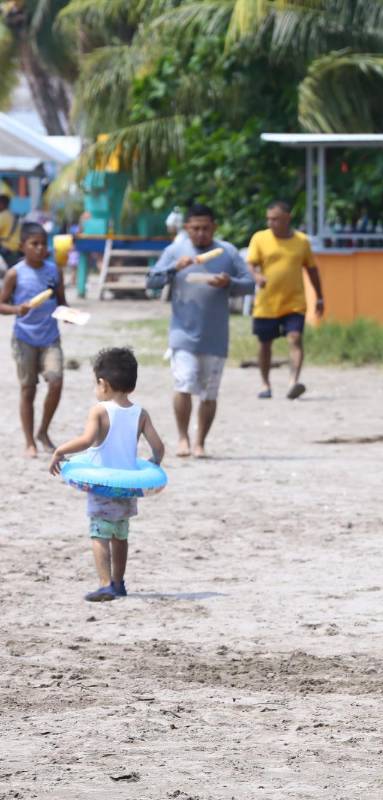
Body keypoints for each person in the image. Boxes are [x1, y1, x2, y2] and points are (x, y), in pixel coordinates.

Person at [49, 348, 165, 602]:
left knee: (99, 534)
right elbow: (158, 448)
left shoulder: (100, 410)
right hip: (127, 489)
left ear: (103, 384)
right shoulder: (141, 414)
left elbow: (87, 440)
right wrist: (152, 466)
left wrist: (60, 450)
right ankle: (119, 583)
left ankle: (104, 584)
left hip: (102, 487)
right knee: (120, 536)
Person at [146, 204, 254, 458]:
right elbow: (151, 281)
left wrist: (230, 283)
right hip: (182, 333)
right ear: (187, 228)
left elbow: (249, 284)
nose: (201, 233)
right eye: (195, 228)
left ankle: (200, 442)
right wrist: (174, 269)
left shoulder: (227, 252)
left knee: (209, 393)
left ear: (214, 227)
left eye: (206, 228)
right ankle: (182, 437)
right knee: (184, 383)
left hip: (216, 336)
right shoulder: (175, 251)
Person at [0, 223, 68, 457]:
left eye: (43, 244)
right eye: (34, 244)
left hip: (50, 338)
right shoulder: (15, 273)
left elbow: (61, 302)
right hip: (24, 339)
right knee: (28, 390)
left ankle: (44, 431)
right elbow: (1, 304)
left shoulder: (54, 271)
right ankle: (29, 441)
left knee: (56, 382)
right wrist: (17, 309)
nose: (40, 248)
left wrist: (69, 315)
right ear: (22, 247)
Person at [247, 200, 325, 400]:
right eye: (269, 219)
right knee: (265, 344)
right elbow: (251, 265)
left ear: (287, 218)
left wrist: (320, 297)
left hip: (294, 301)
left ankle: (293, 382)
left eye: (276, 219)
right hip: (266, 303)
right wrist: (257, 277)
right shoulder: (259, 238)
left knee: (295, 338)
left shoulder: (301, 241)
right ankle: (265, 384)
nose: (271, 223)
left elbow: (312, 269)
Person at [0, 194, 22, 267]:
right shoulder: (13, 215)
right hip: (16, 250)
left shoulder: (2, 216)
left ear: (2, 204)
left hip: (6, 250)